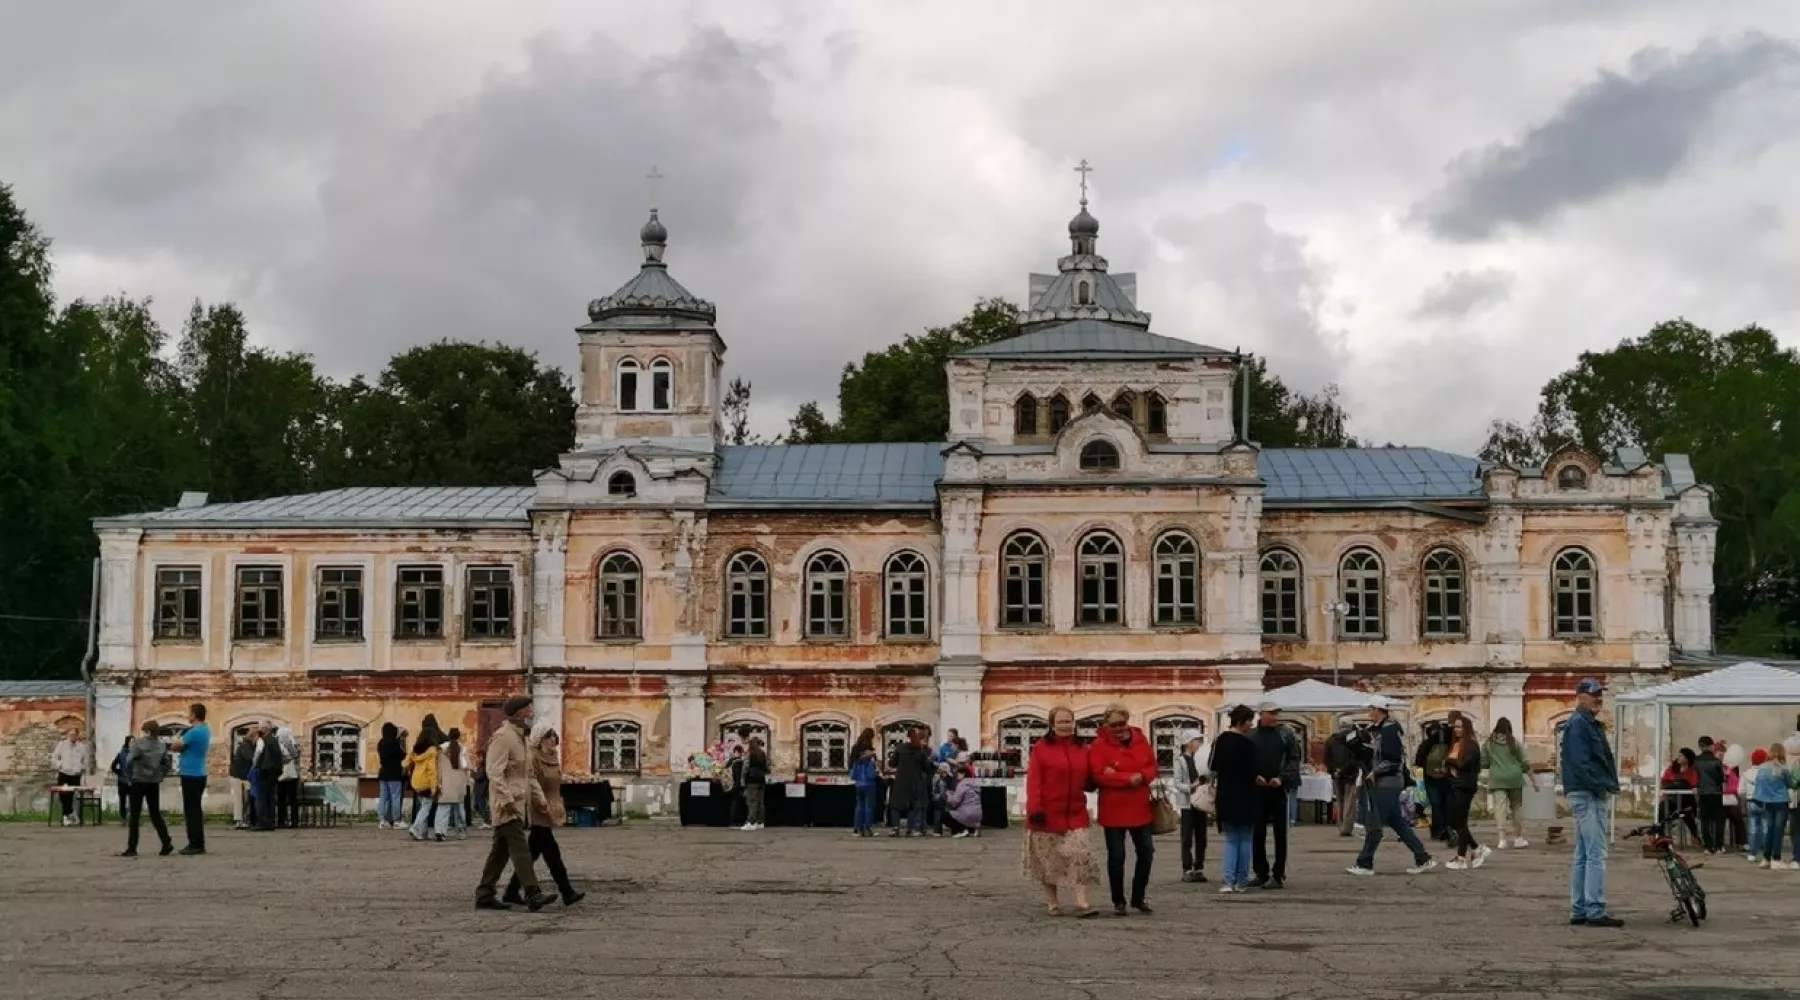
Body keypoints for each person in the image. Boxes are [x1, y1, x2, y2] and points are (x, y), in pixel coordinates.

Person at [475, 695, 552, 911]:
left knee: (500, 851)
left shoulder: (522, 739)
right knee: (520, 848)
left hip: (520, 802)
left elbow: (529, 775)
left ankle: (484, 894)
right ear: (518, 713)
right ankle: (532, 893)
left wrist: (540, 799)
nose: (532, 713)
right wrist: (507, 799)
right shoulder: (503, 738)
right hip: (506, 804)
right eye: (528, 709)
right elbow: (494, 772)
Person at [1022, 705, 1099, 917]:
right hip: (1046, 811)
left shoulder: (1083, 748)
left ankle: (1082, 903)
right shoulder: (1041, 748)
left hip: (1075, 812)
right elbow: (1034, 781)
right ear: (1052, 725)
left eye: (1069, 721)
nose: (1066, 726)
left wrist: (1095, 780)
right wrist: (1034, 808)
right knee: (1048, 860)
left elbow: (1090, 775)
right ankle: (1052, 902)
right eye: (1061, 722)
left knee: (1082, 855)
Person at [1347, 696, 1436, 877]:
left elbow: (1393, 759)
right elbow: (1379, 754)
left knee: (1374, 823)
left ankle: (1364, 863)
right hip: (1389, 782)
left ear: (1378, 709)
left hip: (1386, 782)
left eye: (1371, 709)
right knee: (1398, 822)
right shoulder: (1383, 729)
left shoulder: (1388, 730)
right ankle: (1423, 857)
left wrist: (1375, 772)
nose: (1369, 713)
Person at [1562, 678, 1622, 927]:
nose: (1599, 698)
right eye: (1594, 694)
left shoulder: (1586, 724)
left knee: (1584, 853)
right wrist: (1602, 785)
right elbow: (1581, 763)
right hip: (1588, 793)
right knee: (1596, 852)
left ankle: (1580, 909)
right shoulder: (1580, 725)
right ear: (1580, 696)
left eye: (1600, 694)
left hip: (1584, 791)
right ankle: (1594, 909)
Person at [504, 726, 585, 906]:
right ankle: (566, 891)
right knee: (551, 851)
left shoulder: (553, 757)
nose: (552, 740)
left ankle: (511, 891)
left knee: (533, 852)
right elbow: (530, 783)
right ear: (539, 739)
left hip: (551, 806)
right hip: (538, 808)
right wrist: (539, 802)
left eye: (554, 736)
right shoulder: (532, 757)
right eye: (548, 737)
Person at [1090, 703, 1157, 916]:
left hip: (1139, 806)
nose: (1118, 729)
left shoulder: (1140, 739)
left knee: (1146, 852)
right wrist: (1129, 777)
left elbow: (1152, 766)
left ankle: (1139, 897)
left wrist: (1141, 776)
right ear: (1106, 725)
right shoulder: (1099, 745)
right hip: (1114, 808)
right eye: (1113, 725)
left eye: (1122, 723)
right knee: (1117, 857)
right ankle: (1119, 900)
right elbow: (1099, 775)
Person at [1248, 702, 1299, 889]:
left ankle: (1278, 874)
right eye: (1271, 713)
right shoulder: (1250, 736)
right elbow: (1245, 761)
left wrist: (1282, 778)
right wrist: (1254, 777)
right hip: (1258, 790)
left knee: (1280, 834)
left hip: (1278, 789)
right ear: (1261, 714)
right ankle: (1260, 872)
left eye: (1276, 713)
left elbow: (1294, 760)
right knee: (1257, 833)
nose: (1274, 717)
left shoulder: (1285, 735)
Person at [120, 721, 174, 857]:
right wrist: (160, 774)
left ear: (148, 732)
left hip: (138, 780)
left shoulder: (139, 744)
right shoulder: (161, 745)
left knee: (135, 815)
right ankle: (166, 842)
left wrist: (129, 776)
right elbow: (167, 763)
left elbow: (129, 760)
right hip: (153, 781)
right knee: (155, 814)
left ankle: (132, 847)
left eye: (144, 731)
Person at [1443, 715, 1489, 870]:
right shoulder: (1457, 744)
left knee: (1461, 822)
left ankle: (1461, 858)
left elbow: (1462, 764)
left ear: (1467, 728)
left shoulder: (1471, 745)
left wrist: (1449, 762)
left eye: (1460, 727)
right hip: (1455, 785)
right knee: (1456, 821)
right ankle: (1476, 849)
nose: (1457, 730)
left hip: (1465, 786)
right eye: (1455, 727)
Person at [170, 703, 211, 854]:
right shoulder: (206, 730)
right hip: (200, 773)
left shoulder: (194, 732)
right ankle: (199, 842)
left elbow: (175, 746)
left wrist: (179, 744)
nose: (188, 715)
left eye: (189, 713)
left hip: (190, 774)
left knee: (191, 811)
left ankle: (195, 844)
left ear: (194, 715)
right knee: (196, 809)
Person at [1170, 728, 1209, 883]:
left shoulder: (1202, 759)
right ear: (1189, 743)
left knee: (1202, 837)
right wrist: (1191, 787)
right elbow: (1177, 783)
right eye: (1197, 740)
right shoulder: (1180, 760)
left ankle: (1199, 867)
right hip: (1187, 802)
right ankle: (1187, 868)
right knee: (1187, 837)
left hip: (1201, 801)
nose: (1199, 743)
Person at [1484, 718, 1529, 849]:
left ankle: (1502, 840)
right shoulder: (1514, 742)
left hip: (1497, 778)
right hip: (1515, 778)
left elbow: (1484, 762)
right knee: (1516, 807)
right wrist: (1532, 778)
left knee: (1500, 809)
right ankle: (1518, 838)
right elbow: (1525, 761)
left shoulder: (1489, 744)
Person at [1750, 743, 1794, 868]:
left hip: (1767, 802)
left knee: (1769, 830)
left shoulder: (1762, 767)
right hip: (1781, 802)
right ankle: (1776, 858)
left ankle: (1766, 858)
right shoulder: (1783, 768)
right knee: (1778, 831)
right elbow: (1790, 784)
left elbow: (1758, 783)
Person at [886, 727, 931, 837]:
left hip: (900, 780)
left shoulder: (900, 748)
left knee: (896, 805)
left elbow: (892, 763)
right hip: (915, 781)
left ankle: (895, 828)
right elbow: (927, 767)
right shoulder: (920, 751)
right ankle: (910, 829)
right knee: (913, 805)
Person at [1417, 721, 1452, 842]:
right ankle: (1440, 830)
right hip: (1436, 778)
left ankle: (1440, 830)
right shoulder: (1445, 743)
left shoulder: (1427, 744)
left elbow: (1418, 762)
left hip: (1435, 778)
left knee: (1439, 804)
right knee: (1439, 804)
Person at [407, 723, 442, 841]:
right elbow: (432, 770)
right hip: (426, 782)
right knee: (426, 807)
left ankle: (423, 832)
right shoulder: (432, 751)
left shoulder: (415, 749)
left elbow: (406, 762)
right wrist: (433, 787)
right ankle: (415, 828)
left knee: (423, 806)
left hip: (416, 781)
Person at [1325, 721, 1360, 837]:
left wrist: (1333, 770)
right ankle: (1347, 827)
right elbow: (1355, 759)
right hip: (1350, 774)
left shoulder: (1330, 740)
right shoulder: (1353, 741)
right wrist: (1343, 770)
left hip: (1337, 774)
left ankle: (1340, 825)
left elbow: (1327, 758)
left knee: (1339, 800)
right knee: (1349, 802)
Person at [435, 728, 471, 841]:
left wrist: (438, 781)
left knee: (443, 808)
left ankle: (440, 831)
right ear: (459, 736)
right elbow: (466, 767)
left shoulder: (441, 749)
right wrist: (468, 781)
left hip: (445, 782)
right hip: (459, 783)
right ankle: (461, 832)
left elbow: (438, 767)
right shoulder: (463, 749)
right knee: (459, 809)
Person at [50, 724, 89, 827]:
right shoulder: (62, 745)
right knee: (63, 796)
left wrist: (81, 768)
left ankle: (66, 817)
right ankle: (70, 813)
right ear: (67, 735)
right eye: (70, 735)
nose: (72, 737)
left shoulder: (81, 747)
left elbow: (86, 760)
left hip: (75, 775)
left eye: (74, 735)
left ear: (77, 736)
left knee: (70, 796)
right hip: (64, 774)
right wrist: (60, 765)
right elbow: (54, 758)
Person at [1693, 735, 1727, 855]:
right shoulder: (1717, 761)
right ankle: (1719, 845)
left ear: (1700, 746)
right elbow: (1721, 778)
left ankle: (1708, 846)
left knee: (1705, 820)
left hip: (1703, 792)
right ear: (1711, 746)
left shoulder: (1696, 761)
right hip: (1716, 792)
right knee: (1718, 820)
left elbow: (1695, 778)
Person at [376, 722, 407, 829]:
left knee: (384, 798)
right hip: (395, 773)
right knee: (395, 797)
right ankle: (397, 820)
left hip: (383, 773)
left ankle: (383, 820)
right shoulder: (394, 743)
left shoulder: (381, 743)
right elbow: (403, 755)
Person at [850, 728, 880, 837]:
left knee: (859, 805)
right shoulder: (870, 752)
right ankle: (867, 828)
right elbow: (875, 767)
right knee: (869, 806)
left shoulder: (855, 748)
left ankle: (858, 828)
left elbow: (851, 764)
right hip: (869, 781)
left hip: (858, 782)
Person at [252, 724, 282, 831]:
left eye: (261, 727)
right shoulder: (274, 740)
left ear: (265, 729)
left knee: (262, 797)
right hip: (273, 771)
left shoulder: (262, 740)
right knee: (270, 797)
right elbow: (279, 756)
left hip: (264, 769)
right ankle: (270, 822)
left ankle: (262, 822)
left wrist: (254, 765)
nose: (259, 729)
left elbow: (258, 753)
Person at [943, 759, 983, 838]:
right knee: (962, 814)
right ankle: (972, 830)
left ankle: (961, 830)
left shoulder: (962, 784)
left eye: (958, 774)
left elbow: (955, 801)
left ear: (963, 774)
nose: (957, 776)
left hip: (967, 814)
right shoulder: (974, 784)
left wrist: (948, 795)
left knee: (945, 815)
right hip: (978, 815)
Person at [741, 736, 770, 831]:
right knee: (760, 802)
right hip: (761, 779)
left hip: (751, 780)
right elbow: (767, 767)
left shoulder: (750, 754)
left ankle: (751, 822)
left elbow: (745, 767)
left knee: (752, 802)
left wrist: (742, 779)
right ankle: (760, 822)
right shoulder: (762, 753)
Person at [275, 726, 301, 829]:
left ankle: (282, 821)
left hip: (282, 774)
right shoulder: (294, 744)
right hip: (294, 774)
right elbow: (297, 757)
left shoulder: (279, 744)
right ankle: (294, 821)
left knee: (281, 799)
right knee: (293, 799)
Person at [229, 727, 256, 829]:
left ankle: (244, 819)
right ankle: (239, 821)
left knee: (246, 799)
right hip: (238, 777)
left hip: (243, 777)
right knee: (239, 799)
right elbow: (252, 758)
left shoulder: (247, 745)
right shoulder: (245, 746)